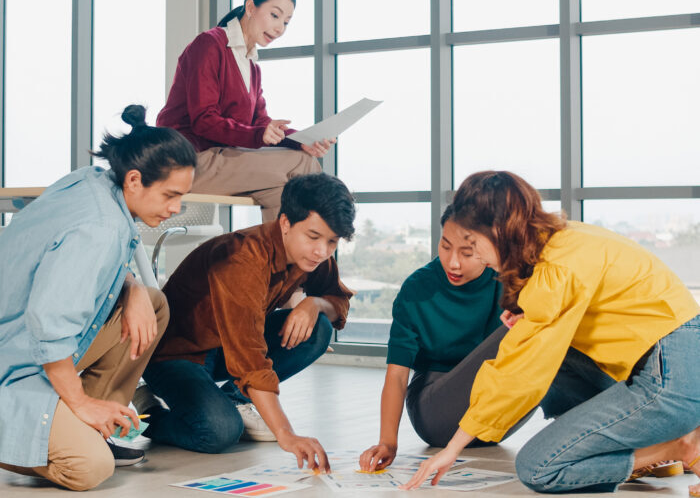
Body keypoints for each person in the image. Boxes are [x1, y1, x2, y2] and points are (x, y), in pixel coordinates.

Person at [402, 171, 700, 495]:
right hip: (677, 361)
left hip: (670, 379)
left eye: (472, 243)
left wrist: (452, 448)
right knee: (560, 355)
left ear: (498, 231)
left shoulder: (555, 270)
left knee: (538, 466)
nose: (474, 257)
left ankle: (678, 449)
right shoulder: (566, 238)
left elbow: (518, 371)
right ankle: (660, 439)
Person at [0, 105, 197, 491]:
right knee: (90, 468)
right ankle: (57, 426)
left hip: (23, 345)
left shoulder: (95, 182)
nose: (175, 208)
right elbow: (48, 323)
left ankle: (90, 425)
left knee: (152, 304)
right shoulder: (102, 227)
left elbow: (65, 258)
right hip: (14, 362)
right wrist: (80, 403)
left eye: (182, 197)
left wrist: (134, 288)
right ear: (136, 180)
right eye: (170, 195)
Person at [135, 172, 355, 472]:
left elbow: (338, 300)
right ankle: (149, 410)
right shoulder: (242, 259)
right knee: (219, 432)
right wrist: (286, 435)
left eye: (332, 241)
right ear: (286, 222)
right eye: (314, 237)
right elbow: (249, 356)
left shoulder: (314, 257)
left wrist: (313, 303)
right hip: (176, 355)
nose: (322, 250)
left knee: (319, 328)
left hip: (224, 347)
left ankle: (235, 401)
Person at [157, 0, 333, 222]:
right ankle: (321, 238)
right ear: (251, 7)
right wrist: (259, 135)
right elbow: (204, 120)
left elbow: (261, 124)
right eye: (275, 15)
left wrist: (301, 141)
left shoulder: (251, 66)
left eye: (286, 22)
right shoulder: (209, 44)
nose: (280, 27)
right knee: (304, 165)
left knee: (281, 191)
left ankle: (277, 260)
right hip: (185, 161)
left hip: (218, 158)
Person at [359, 204, 512, 472]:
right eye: (445, 246)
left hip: (494, 414)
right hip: (436, 409)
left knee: (547, 330)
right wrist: (387, 442)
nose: (453, 262)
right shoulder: (417, 289)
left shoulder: (505, 281)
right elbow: (396, 375)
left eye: (467, 253)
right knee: (527, 328)